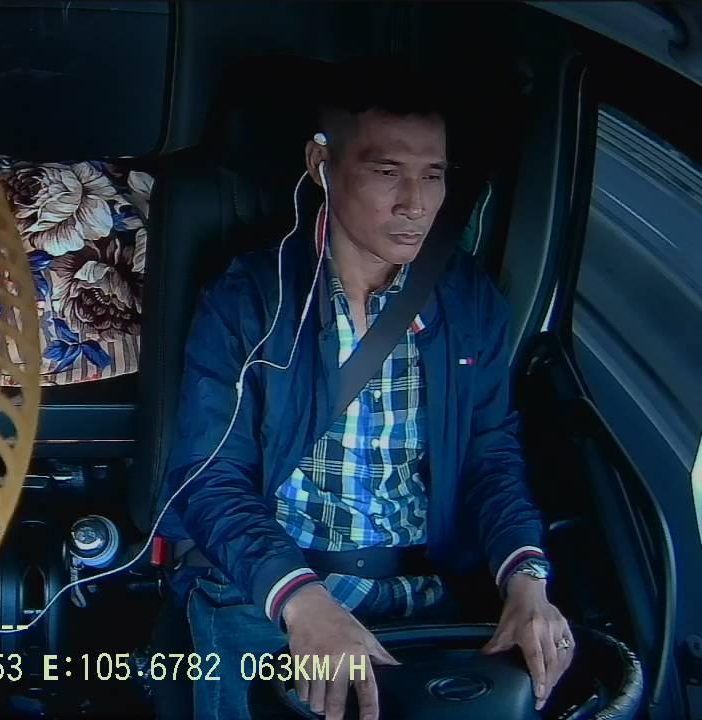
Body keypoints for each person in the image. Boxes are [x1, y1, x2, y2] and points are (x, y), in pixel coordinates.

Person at [157, 59, 574, 720]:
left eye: (433, 175)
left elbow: (490, 456)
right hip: (274, 587)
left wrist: (526, 579)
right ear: (321, 163)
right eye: (387, 173)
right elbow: (209, 477)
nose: (416, 204)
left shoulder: (467, 301)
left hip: (428, 594)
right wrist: (302, 600)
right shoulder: (251, 301)